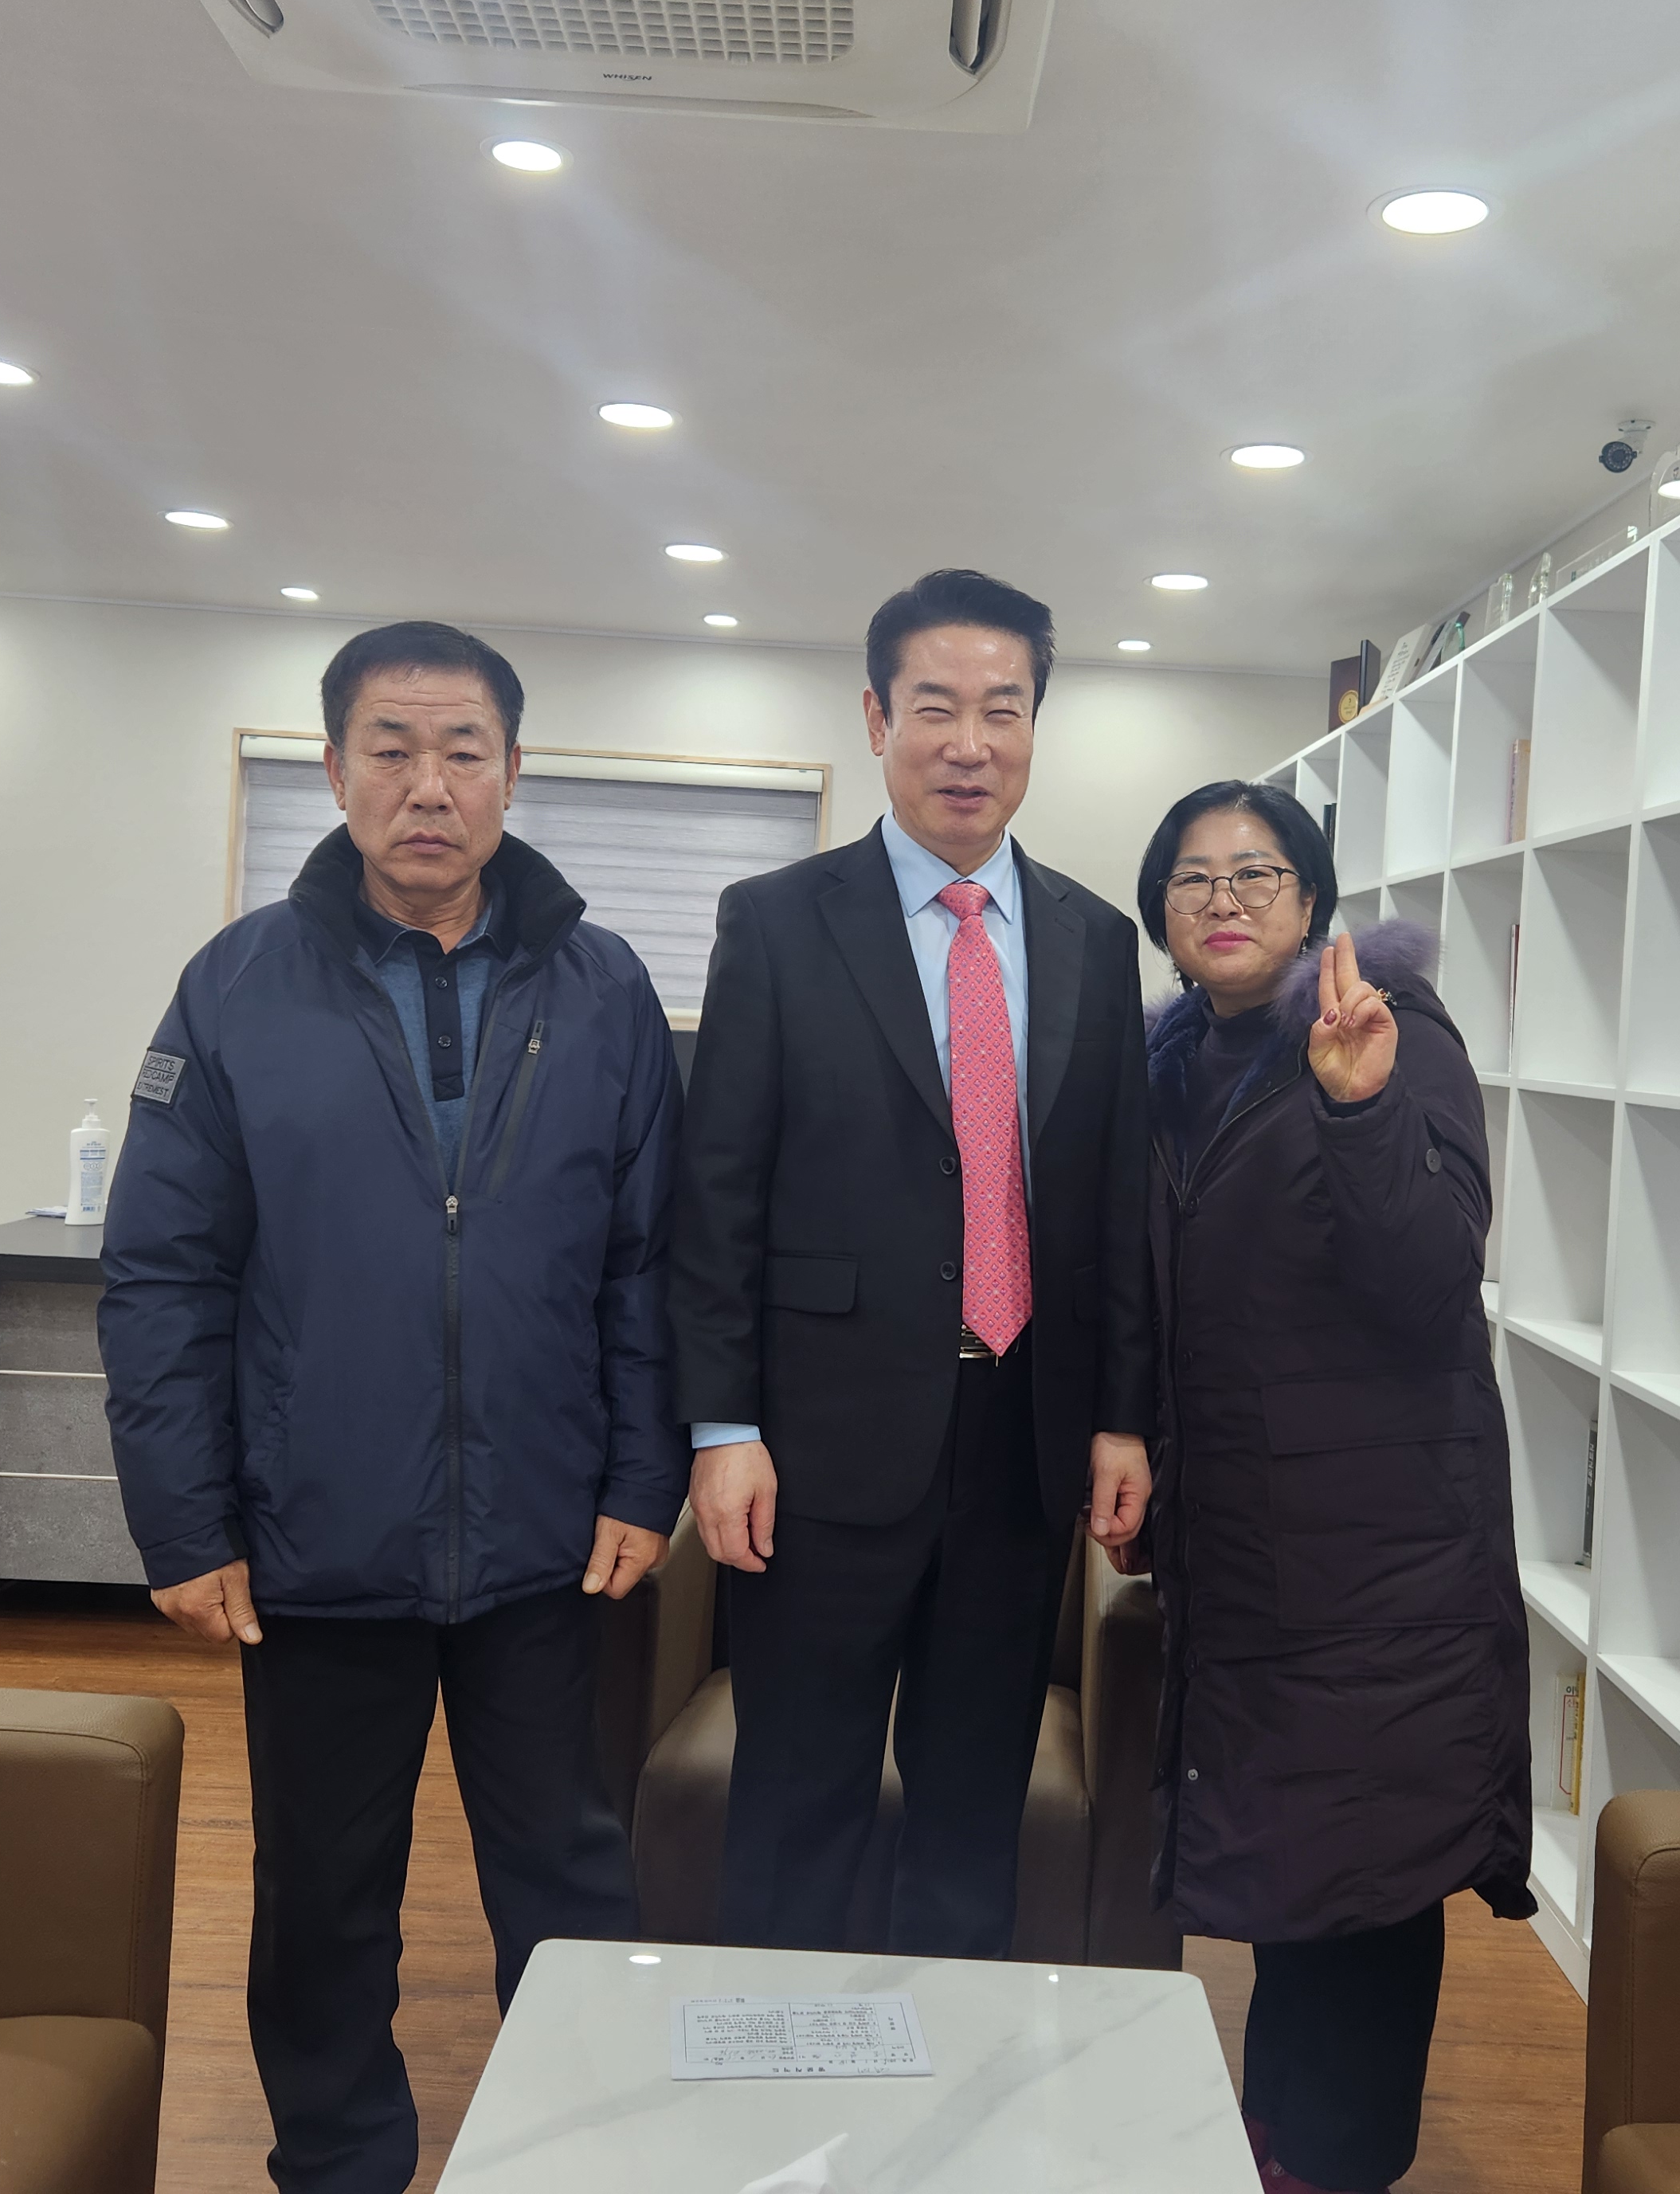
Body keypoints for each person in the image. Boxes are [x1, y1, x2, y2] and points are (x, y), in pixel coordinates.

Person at [98, 620, 686, 2194]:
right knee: (323, 1897)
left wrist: (642, 1479)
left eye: (462, 752)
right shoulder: (236, 986)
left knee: (570, 1881)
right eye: (391, 749)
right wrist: (184, 1521)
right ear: (335, 767)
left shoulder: (606, 989)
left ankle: (587, 2159)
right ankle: (339, 2161)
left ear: (512, 771)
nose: (429, 786)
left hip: (548, 1538)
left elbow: (648, 1264)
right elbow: (161, 1274)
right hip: (317, 1532)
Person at [669, 567, 1156, 1958]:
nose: (970, 743)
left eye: (1004, 709)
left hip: (1020, 1442)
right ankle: (776, 2062)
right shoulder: (778, 920)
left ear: (1036, 726)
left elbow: (1115, 1202)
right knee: (797, 1804)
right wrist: (722, 1425)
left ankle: (945, 2069)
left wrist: (1122, 1414)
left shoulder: (1094, 939)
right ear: (878, 718)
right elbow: (718, 1192)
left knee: (971, 1813)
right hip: (819, 1449)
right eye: (935, 707)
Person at [1131, 779, 1531, 2194]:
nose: (1224, 899)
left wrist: (1360, 1110)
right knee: (1297, 1864)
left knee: (1362, 1868)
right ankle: (1278, 2145)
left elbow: (1431, 1280)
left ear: (1311, 901)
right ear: (1163, 919)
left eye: (1258, 873)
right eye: (1193, 878)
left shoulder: (1388, 1031)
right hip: (1249, 1544)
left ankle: (1332, 2165)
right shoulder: (1176, 1066)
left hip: (1382, 1548)